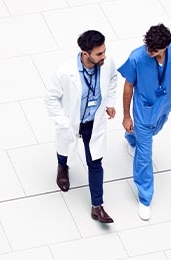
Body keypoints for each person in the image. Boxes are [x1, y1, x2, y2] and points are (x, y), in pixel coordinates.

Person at [119, 24, 171, 221]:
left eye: (154, 50)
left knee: (154, 131)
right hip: (143, 112)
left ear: (166, 47)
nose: (149, 52)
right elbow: (128, 86)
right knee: (145, 156)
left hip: (165, 107)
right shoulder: (137, 58)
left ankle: (131, 137)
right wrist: (127, 116)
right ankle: (145, 198)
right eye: (148, 47)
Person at [46, 30, 118, 224]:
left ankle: (97, 206)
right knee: (65, 149)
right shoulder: (64, 72)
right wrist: (63, 122)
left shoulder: (107, 63)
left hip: (94, 122)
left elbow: (112, 79)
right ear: (85, 53)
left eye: (104, 51)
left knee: (95, 162)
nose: (104, 56)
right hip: (72, 122)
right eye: (99, 54)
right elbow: (51, 99)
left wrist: (110, 102)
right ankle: (62, 167)